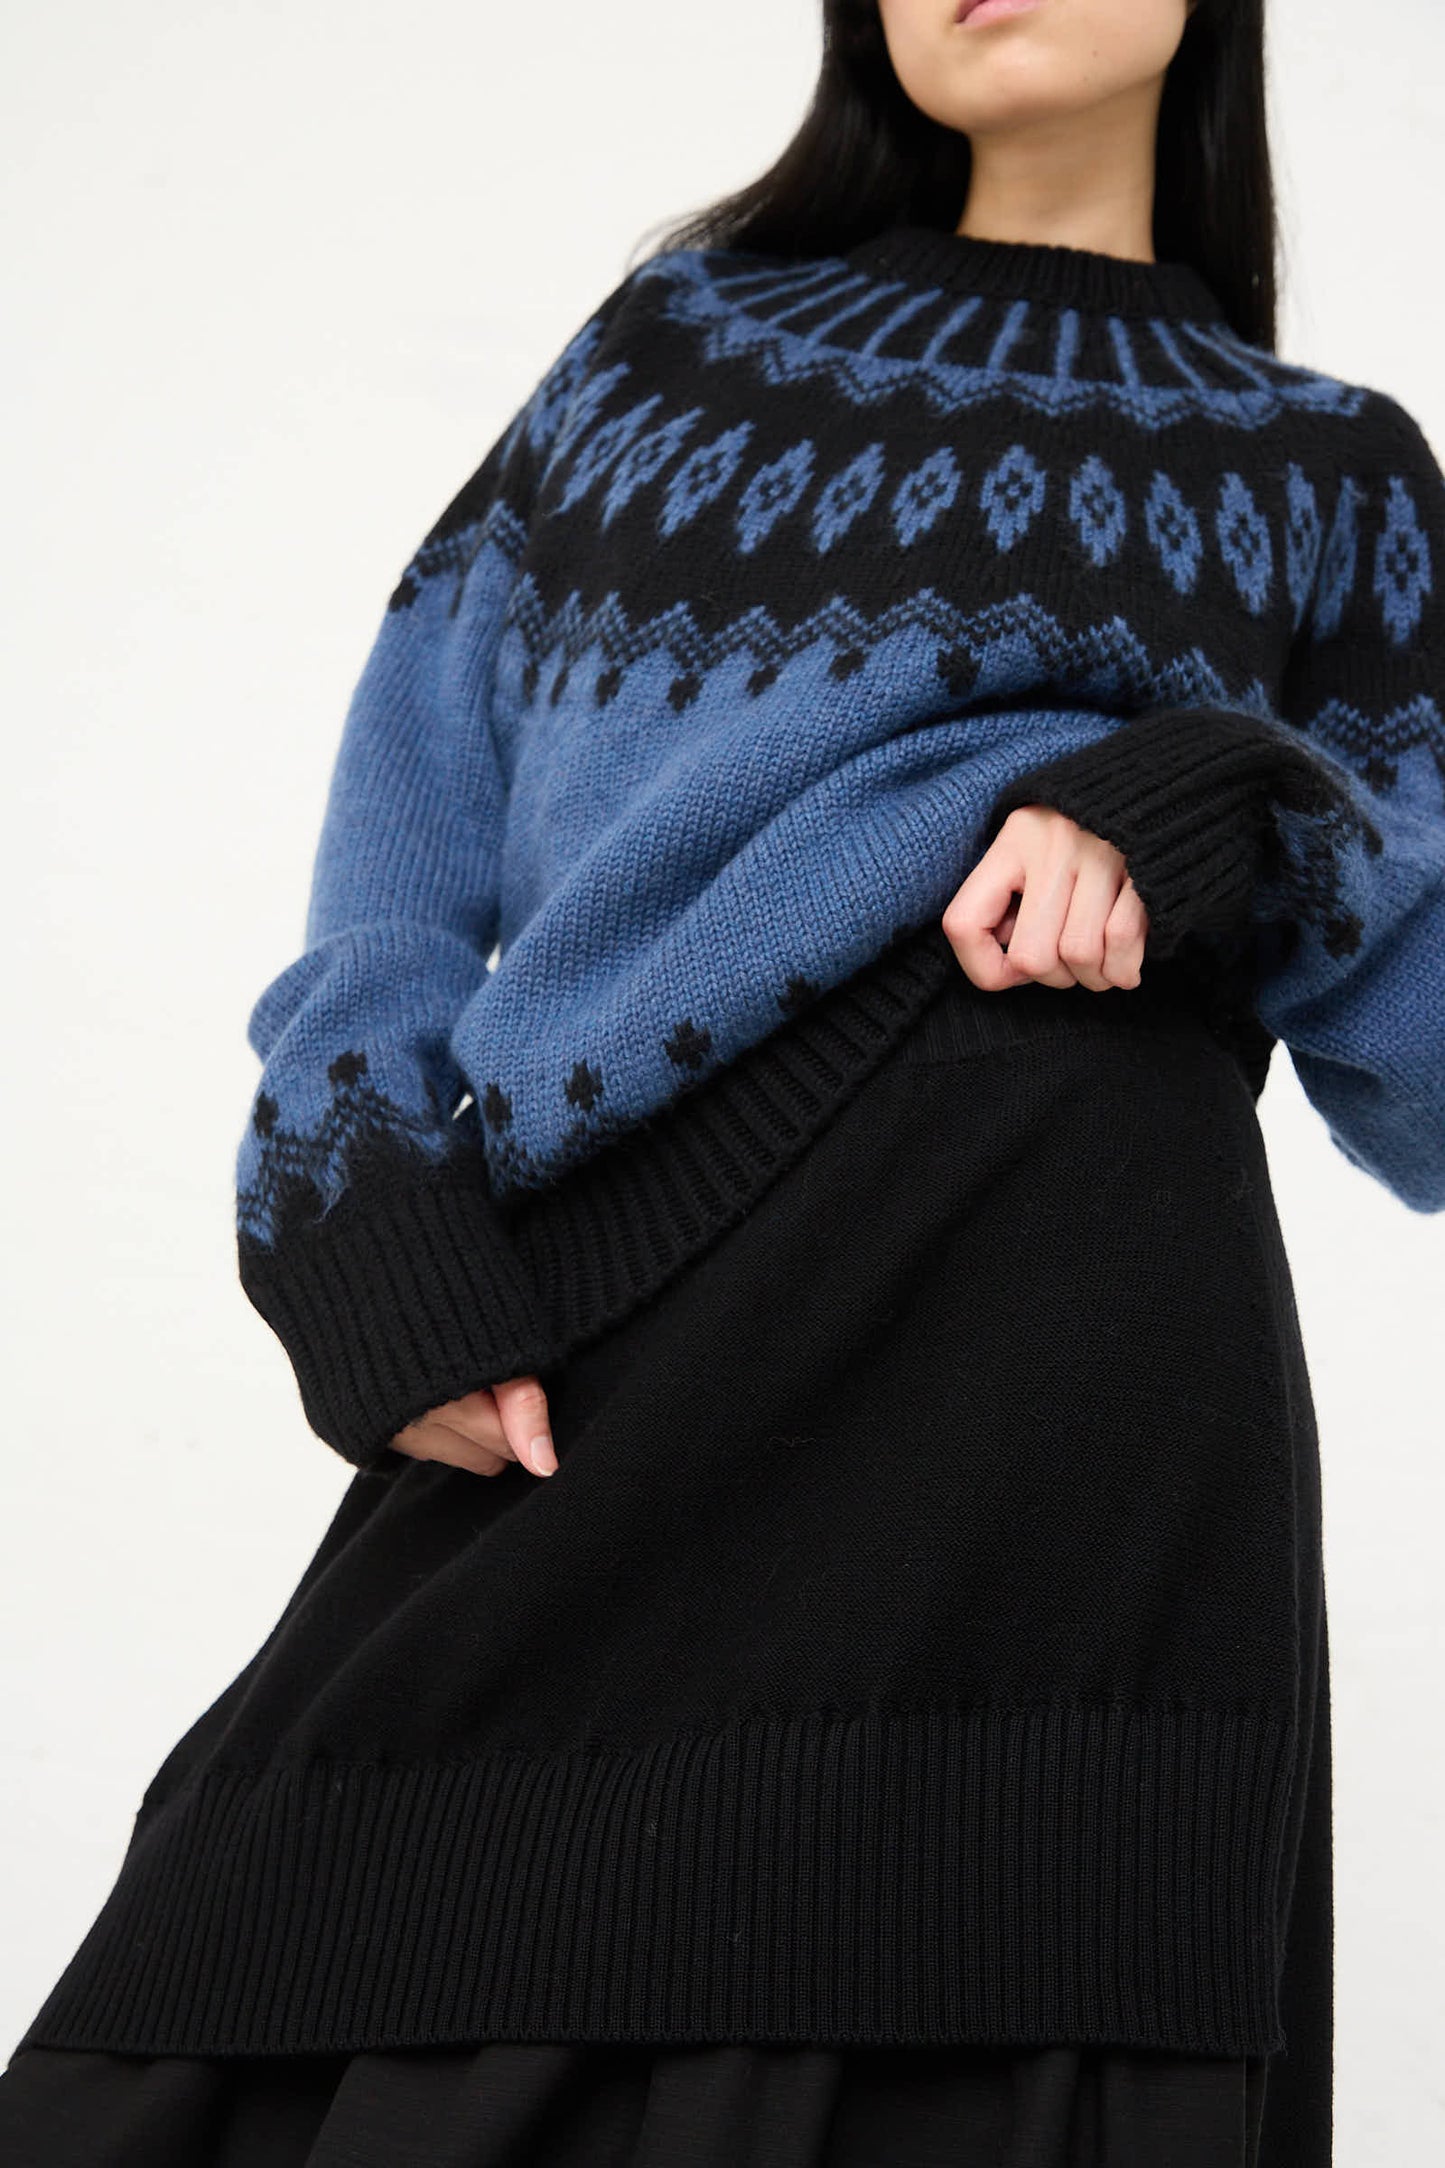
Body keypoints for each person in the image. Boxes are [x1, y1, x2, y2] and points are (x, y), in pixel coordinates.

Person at [4, 1, 1442, 2161]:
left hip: (1076, 1475)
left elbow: (1424, 1073)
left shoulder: (1330, 472)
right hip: (616, 1357)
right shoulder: (669, 363)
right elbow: (396, 875)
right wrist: (355, 1215)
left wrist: (1226, 797)